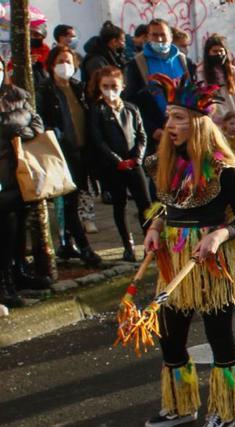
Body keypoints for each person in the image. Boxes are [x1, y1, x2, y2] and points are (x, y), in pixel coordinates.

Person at [141, 74, 235, 427]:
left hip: (210, 264)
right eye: (168, 117)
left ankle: (224, 409)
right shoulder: (167, 163)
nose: (170, 125)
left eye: (178, 117)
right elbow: (168, 206)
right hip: (174, 262)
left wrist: (219, 234)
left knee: (218, 336)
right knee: (170, 336)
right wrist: (155, 227)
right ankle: (181, 403)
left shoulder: (226, 167)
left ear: (198, 122)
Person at [37, 46, 101, 267]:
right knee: (69, 202)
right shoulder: (45, 90)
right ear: (52, 64)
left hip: (82, 151)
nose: (65, 65)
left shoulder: (78, 88)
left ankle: (67, 244)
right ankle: (84, 248)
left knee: (77, 197)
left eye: (69, 61)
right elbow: (42, 121)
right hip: (61, 153)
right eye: (60, 60)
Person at [88, 66, 152, 262]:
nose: (110, 90)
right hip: (113, 166)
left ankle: (150, 243)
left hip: (134, 163)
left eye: (113, 86)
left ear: (122, 86)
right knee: (119, 205)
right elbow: (98, 141)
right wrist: (116, 160)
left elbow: (141, 135)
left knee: (145, 205)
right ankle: (127, 245)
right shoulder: (97, 111)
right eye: (105, 86)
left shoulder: (131, 108)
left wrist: (137, 158)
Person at [1, 57, 48, 307]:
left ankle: (19, 272)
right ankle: (5, 282)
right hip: (2, 175)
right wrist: (18, 126)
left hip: (21, 171)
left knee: (19, 227)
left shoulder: (16, 95)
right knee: (4, 232)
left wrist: (22, 131)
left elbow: (36, 122)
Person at [124, 19, 190, 146]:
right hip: (158, 133)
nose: (159, 39)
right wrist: (151, 129)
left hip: (184, 129)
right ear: (148, 37)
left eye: (163, 34)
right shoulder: (137, 64)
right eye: (154, 35)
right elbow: (132, 101)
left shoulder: (183, 61)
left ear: (170, 36)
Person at [197, 35, 235, 180]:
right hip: (214, 133)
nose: (219, 55)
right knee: (217, 172)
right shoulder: (200, 74)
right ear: (207, 53)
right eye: (214, 51)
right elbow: (200, 104)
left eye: (222, 51)